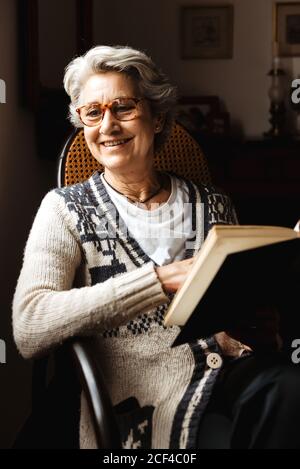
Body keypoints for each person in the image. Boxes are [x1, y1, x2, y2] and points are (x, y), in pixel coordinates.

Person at [12, 45, 300, 449]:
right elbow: (29, 325)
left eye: (123, 107)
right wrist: (160, 280)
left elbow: (229, 310)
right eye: (92, 112)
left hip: (225, 376)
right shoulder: (64, 210)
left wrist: (255, 330)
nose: (107, 125)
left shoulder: (213, 202)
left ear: (158, 116)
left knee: (291, 388)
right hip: (143, 393)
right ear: (82, 124)